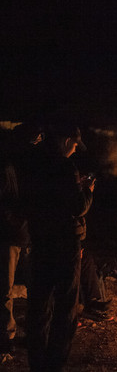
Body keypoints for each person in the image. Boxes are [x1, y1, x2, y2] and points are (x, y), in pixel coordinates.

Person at [25, 121, 93, 372]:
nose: (76, 149)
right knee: (65, 308)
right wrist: (88, 190)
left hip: (41, 243)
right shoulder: (66, 167)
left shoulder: (34, 165)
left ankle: (36, 363)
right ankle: (53, 364)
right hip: (64, 246)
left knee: (39, 305)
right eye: (75, 144)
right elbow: (78, 206)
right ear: (66, 141)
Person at [0, 123, 42, 361]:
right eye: (34, 141)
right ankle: (7, 339)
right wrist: (15, 220)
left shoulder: (32, 165)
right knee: (5, 289)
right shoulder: (8, 166)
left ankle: (31, 335)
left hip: (27, 234)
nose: (35, 145)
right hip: (12, 235)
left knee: (34, 287)